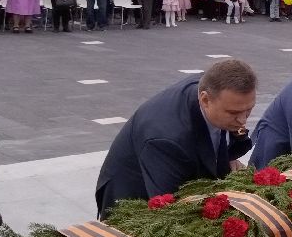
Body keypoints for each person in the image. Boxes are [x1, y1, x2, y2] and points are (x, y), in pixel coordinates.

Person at [95, 59, 257, 216]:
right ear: (205, 100)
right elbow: (172, 212)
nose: (243, 120)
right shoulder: (167, 141)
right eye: (233, 113)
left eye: (249, 110)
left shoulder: (214, 85)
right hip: (134, 202)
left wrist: (227, 157)